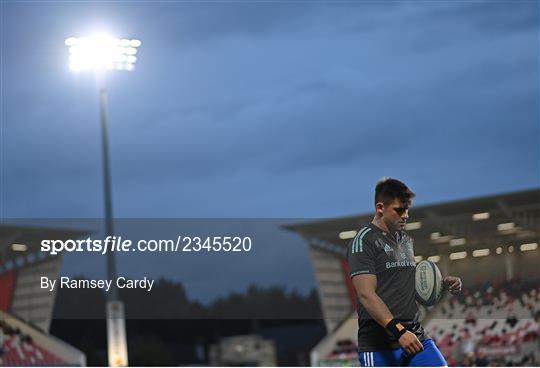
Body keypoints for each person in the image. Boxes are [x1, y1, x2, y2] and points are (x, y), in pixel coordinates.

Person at [346, 177, 462, 366]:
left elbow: (408, 286)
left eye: (407, 209)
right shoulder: (363, 242)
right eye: (399, 210)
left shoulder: (405, 241)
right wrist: (399, 331)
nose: (406, 215)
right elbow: (366, 295)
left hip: (414, 336)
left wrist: (441, 284)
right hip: (379, 345)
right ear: (380, 208)